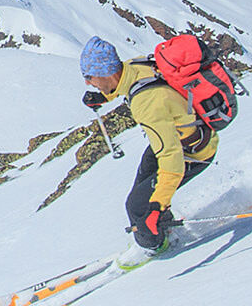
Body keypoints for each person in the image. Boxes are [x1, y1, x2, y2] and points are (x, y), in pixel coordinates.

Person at [78, 35, 217, 262]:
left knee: (138, 207)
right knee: (141, 193)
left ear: (104, 72)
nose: (87, 83)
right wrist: (102, 96)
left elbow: (172, 160)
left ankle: (159, 246)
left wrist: (157, 206)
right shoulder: (134, 66)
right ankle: (163, 226)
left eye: (89, 77)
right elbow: (129, 82)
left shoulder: (146, 103)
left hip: (193, 151)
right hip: (184, 136)